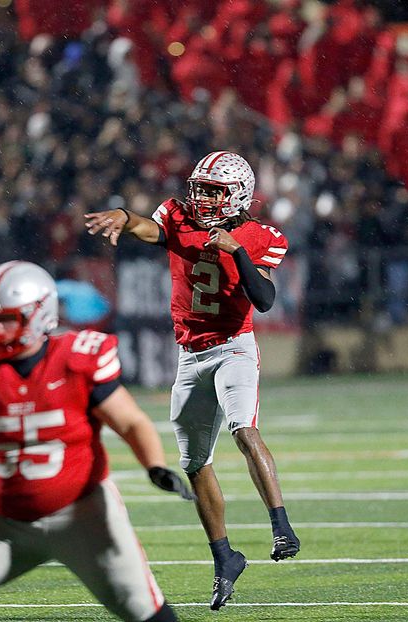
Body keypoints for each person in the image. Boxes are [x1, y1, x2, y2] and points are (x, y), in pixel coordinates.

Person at [0, 260, 191, 622]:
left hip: (83, 515)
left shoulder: (75, 358)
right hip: (2, 520)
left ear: (40, 316)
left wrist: (155, 465)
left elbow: (130, 421)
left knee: (148, 614)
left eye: (4, 319)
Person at [85, 151, 300, 610]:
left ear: (238, 194)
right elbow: (150, 229)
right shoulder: (179, 216)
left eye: (215, 191)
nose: (204, 198)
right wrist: (124, 217)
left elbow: (264, 299)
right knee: (195, 462)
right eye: (201, 188)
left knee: (244, 430)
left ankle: (281, 525)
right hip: (189, 357)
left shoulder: (258, 236)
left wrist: (236, 251)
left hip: (234, 347)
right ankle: (225, 558)